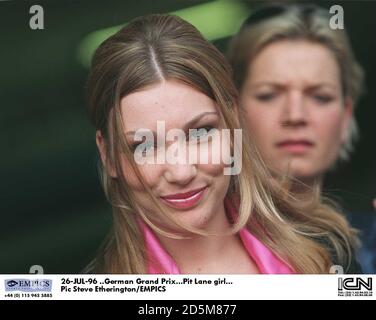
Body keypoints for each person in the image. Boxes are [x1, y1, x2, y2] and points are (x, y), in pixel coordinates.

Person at [85, 14, 359, 274]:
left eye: (200, 132)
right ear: (108, 155)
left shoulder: (331, 253)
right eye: (145, 146)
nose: (182, 172)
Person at [227, 3, 373, 272]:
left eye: (320, 96)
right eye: (269, 94)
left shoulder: (365, 249)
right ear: (234, 112)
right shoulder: (201, 238)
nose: (296, 115)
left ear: (345, 117)